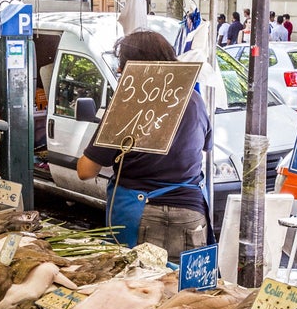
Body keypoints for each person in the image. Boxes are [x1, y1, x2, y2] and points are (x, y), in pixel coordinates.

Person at [76, 30, 211, 262]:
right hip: (191, 214)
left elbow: (85, 171)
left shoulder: (127, 105)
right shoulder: (195, 100)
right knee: (186, 292)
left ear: (136, 67)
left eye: (122, 64)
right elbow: (205, 146)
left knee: (136, 288)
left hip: (140, 213)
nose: (119, 70)